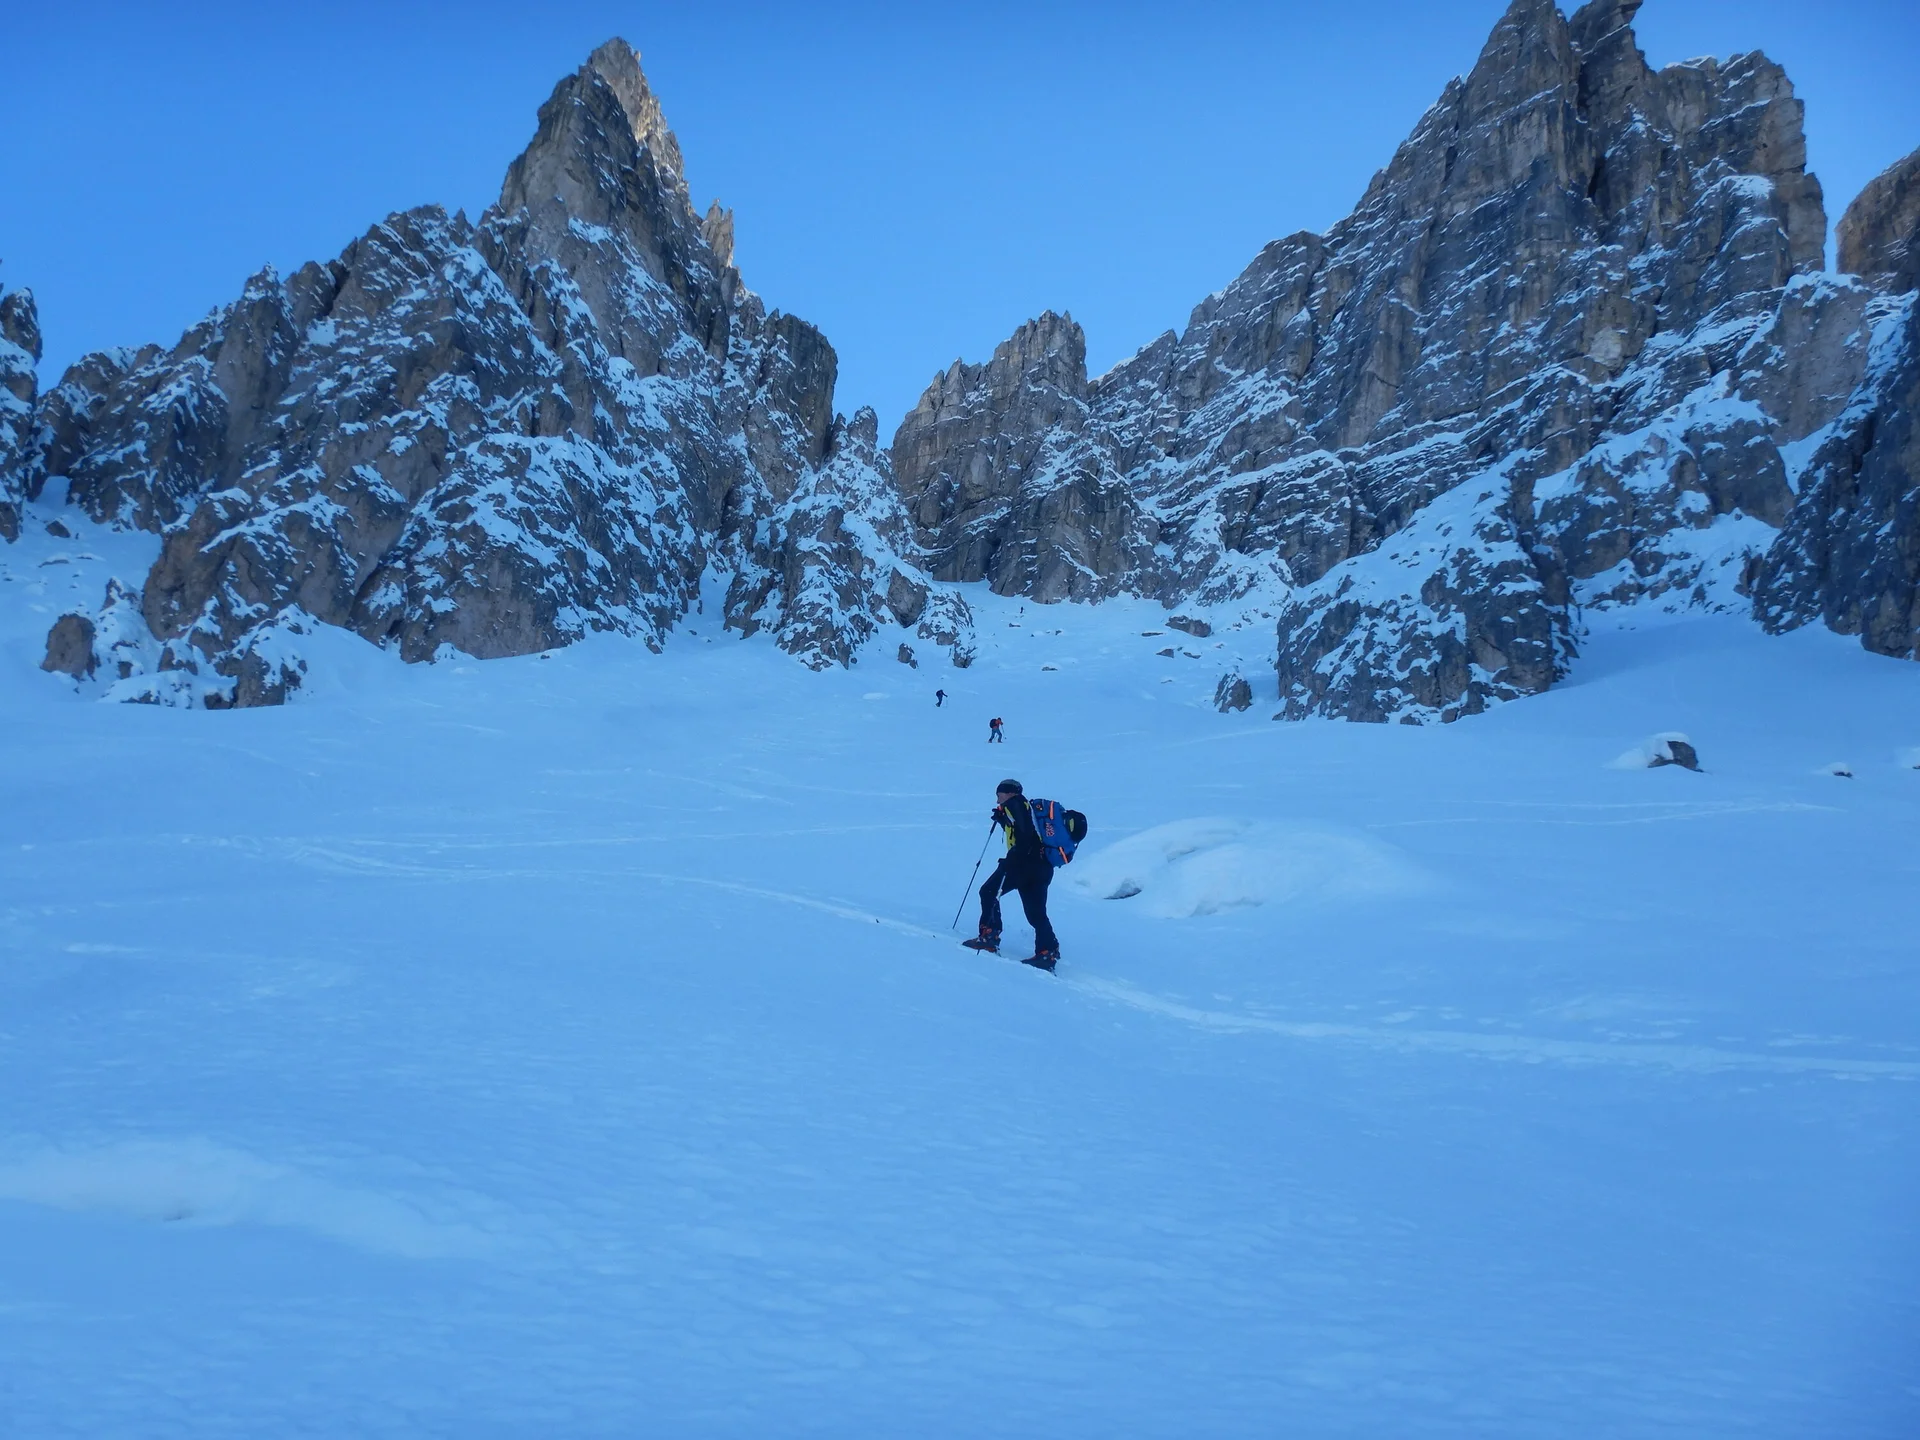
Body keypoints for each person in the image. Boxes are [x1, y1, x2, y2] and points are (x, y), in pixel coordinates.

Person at [963, 778, 1059, 971]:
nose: (997, 800)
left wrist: (1013, 858)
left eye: (998, 794)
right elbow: (1025, 830)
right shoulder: (1026, 807)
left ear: (1008, 793)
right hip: (1042, 867)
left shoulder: (1014, 804)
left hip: (1022, 864)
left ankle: (989, 936)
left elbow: (1024, 836)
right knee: (1036, 912)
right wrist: (1003, 821)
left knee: (988, 892)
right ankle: (1048, 952)